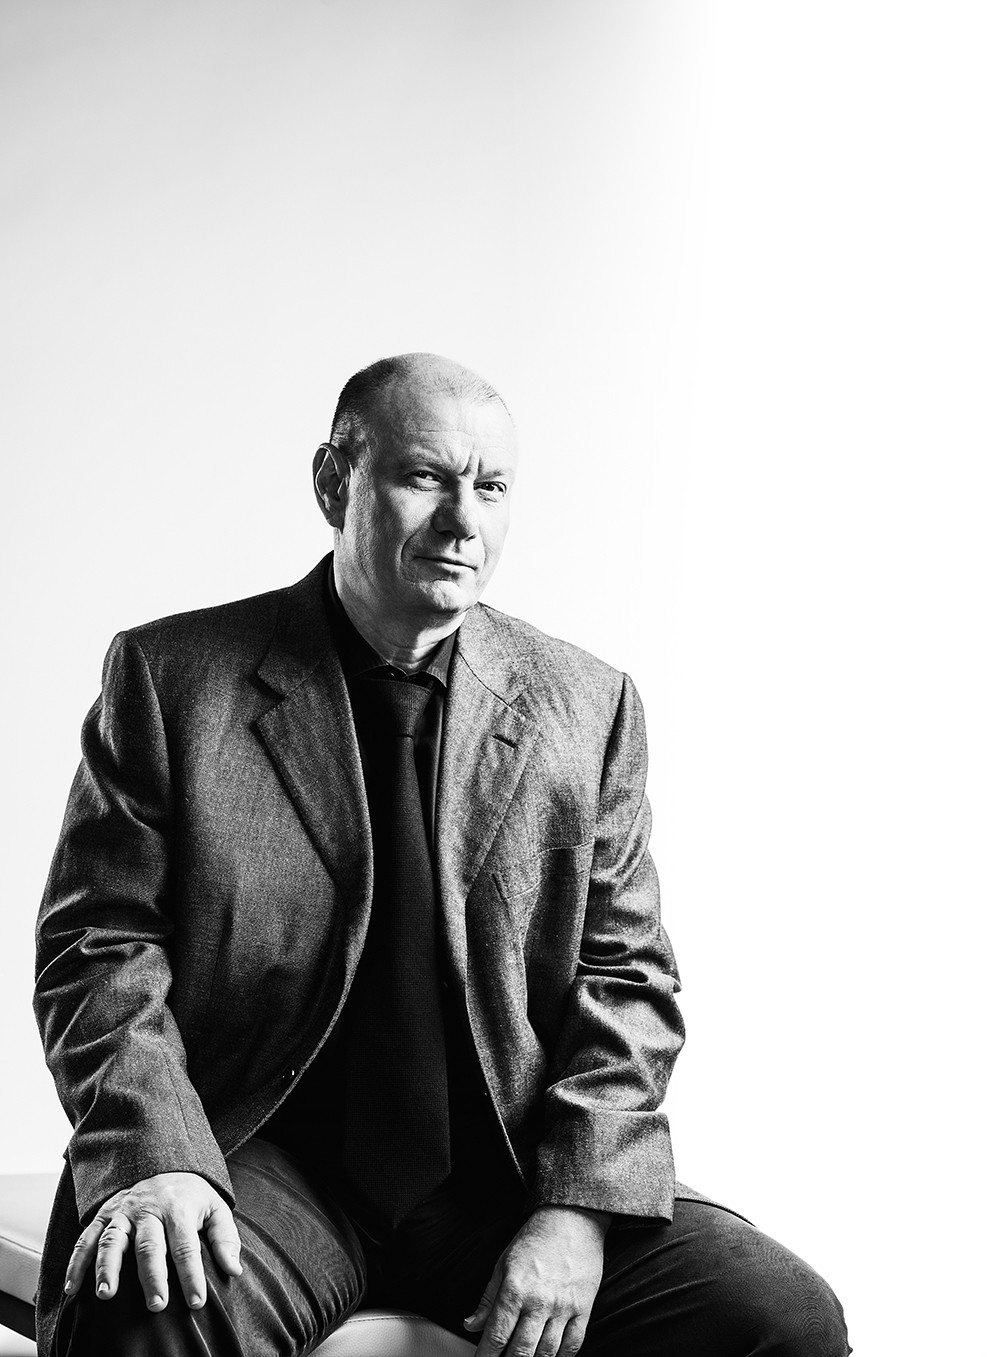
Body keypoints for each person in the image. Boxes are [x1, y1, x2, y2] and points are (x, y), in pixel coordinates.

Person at [34, 354, 849, 1356]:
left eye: (491, 486)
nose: (464, 521)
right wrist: (159, 1154)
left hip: (504, 1170)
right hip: (260, 1156)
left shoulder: (587, 705)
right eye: (425, 476)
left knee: (781, 1319)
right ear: (334, 482)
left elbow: (626, 976)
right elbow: (98, 944)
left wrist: (578, 1208)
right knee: (149, 1304)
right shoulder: (174, 678)